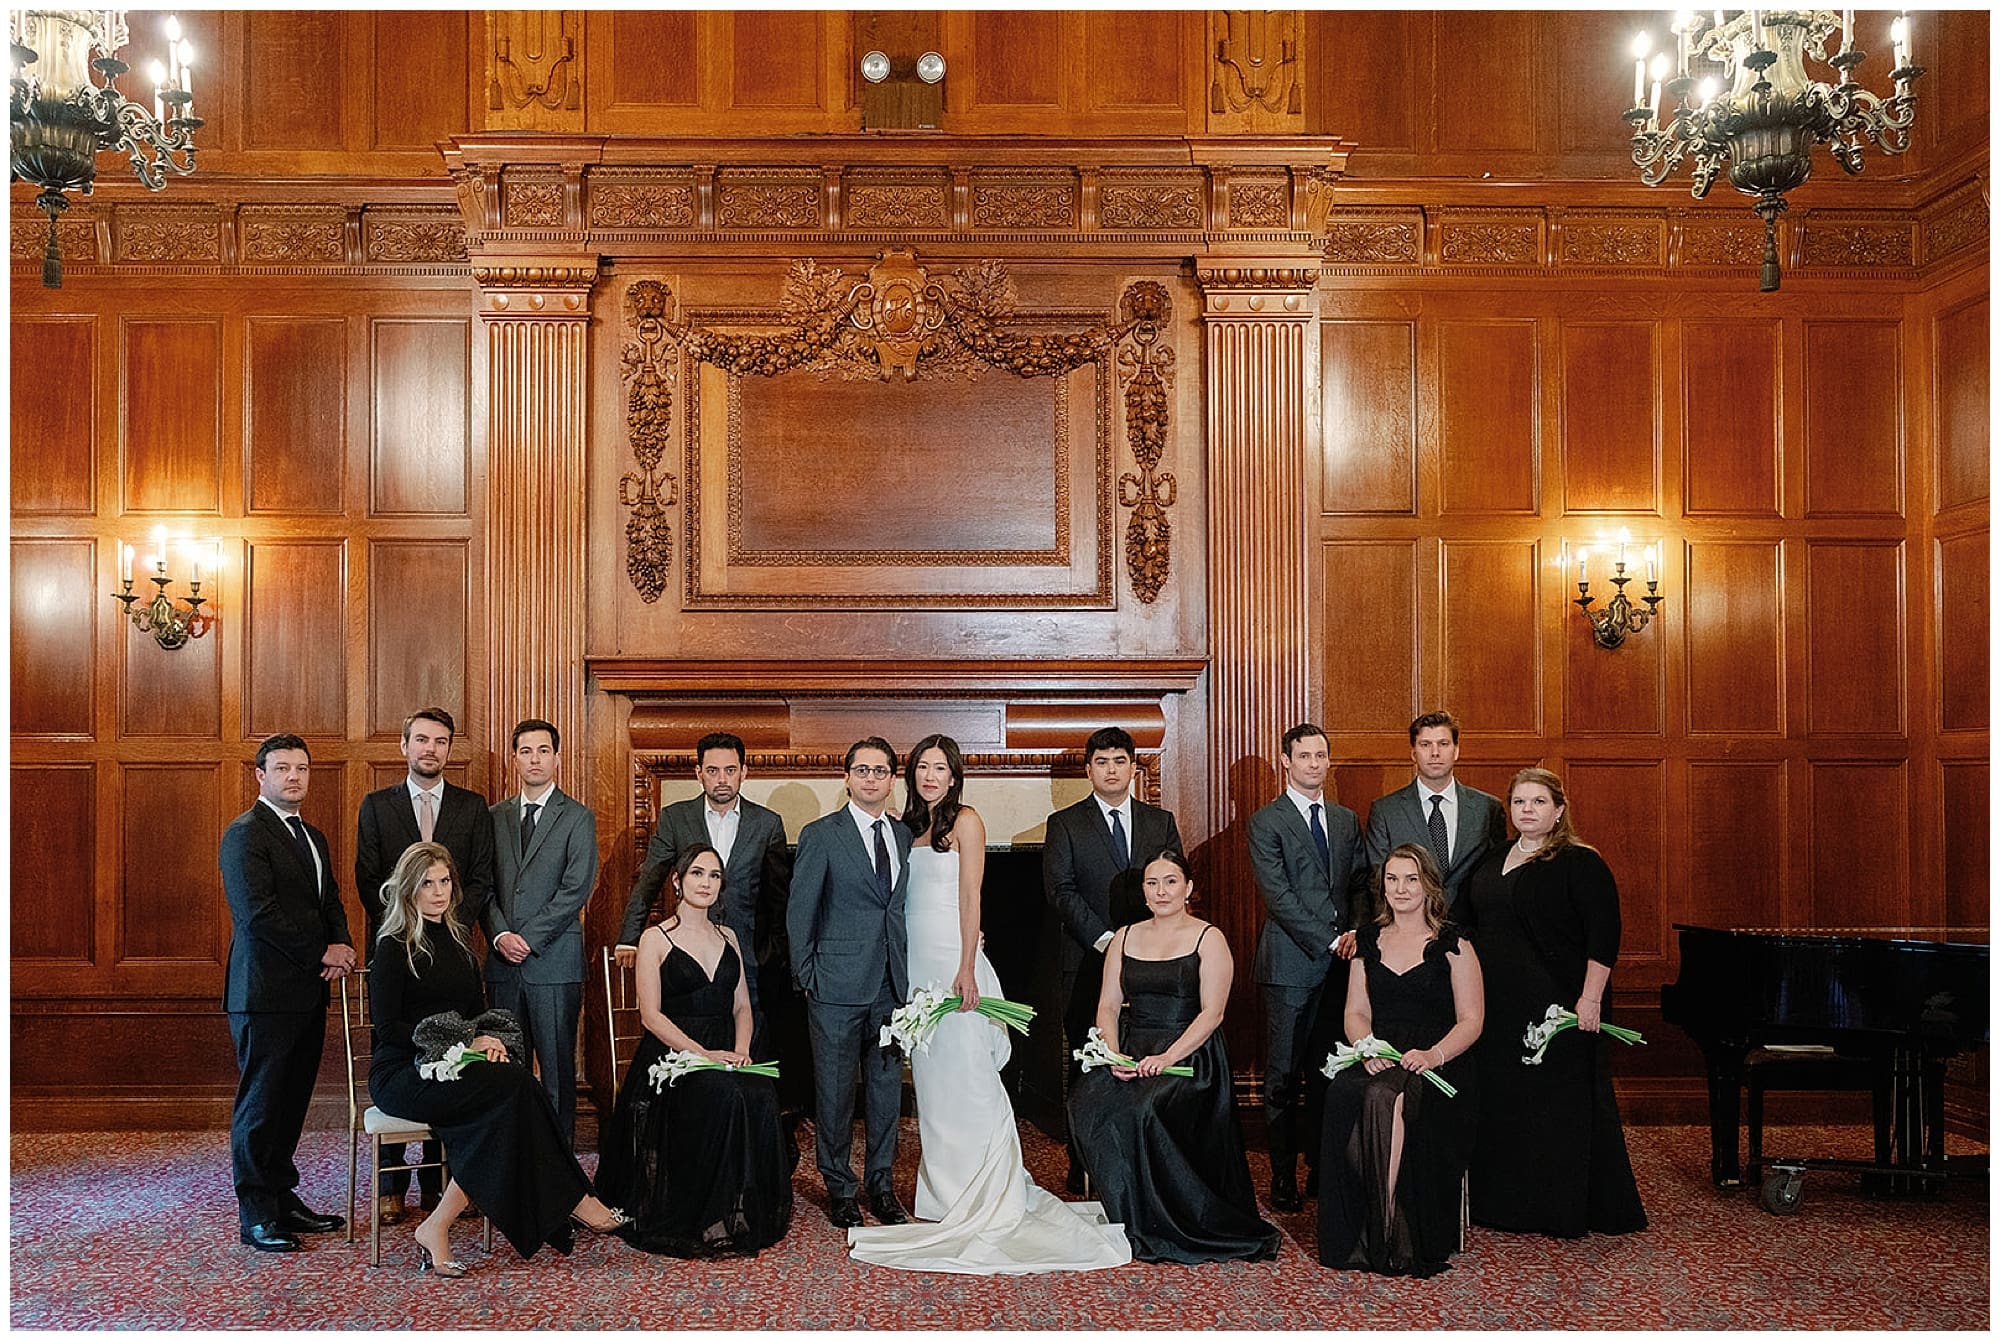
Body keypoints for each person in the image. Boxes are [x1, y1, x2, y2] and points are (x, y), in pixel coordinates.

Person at [848, 736, 1130, 1275]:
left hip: (955, 964)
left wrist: (965, 965)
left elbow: (973, 896)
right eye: (922, 767)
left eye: (940, 768)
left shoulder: (967, 821)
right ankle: (943, 1196)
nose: (930, 776)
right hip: (916, 967)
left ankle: (988, 1193)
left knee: (971, 1077)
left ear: (955, 776)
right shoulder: (906, 827)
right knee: (932, 1085)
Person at [367, 842, 628, 1275]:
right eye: (427, 884)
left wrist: (485, 1038)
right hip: (403, 1072)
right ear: (408, 890)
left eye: (445, 881)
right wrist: (461, 1045)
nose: (438, 892)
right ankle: (579, 1199)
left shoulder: (460, 943)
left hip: (455, 1067)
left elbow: (475, 1016)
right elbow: (388, 1029)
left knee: (509, 1100)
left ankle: (437, 1225)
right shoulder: (394, 946)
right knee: (516, 1092)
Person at [1459, 767, 1646, 1238]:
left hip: (1557, 1004)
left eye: (1538, 802)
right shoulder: (1494, 856)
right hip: (1497, 1004)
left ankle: (1554, 1208)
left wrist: (1589, 999)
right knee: (1505, 1101)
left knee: (1553, 1108)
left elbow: (1604, 936)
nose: (1527, 810)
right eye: (1519, 802)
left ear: (1558, 810)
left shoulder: (1580, 862)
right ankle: (1503, 1205)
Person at [1068, 851, 1279, 1264]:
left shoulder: (1208, 937)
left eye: (1169, 882)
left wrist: (1166, 1058)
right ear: (1143, 892)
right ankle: (1126, 1214)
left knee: (1145, 1109)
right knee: (1086, 1100)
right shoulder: (1124, 937)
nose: (1160, 891)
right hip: (1132, 1048)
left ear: (1188, 888)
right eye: (1152, 883)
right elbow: (1108, 1005)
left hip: (1191, 1056)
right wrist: (1112, 1054)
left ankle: (1163, 1220)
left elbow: (1212, 1014)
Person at [595, 845, 794, 1256]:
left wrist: (740, 1051)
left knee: (757, 1092)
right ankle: (702, 1206)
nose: (706, 883)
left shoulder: (730, 937)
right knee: (725, 1094)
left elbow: (742, 1006)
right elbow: (650, 1016)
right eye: (698, 874)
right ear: (678, 881)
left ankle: (739, 1207)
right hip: (673, 1056)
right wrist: (704, 1055)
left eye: (714, 876)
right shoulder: (655, 938)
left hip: (725, 1049)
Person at [354, 705, 498, 1225]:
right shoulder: (376, 806)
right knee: (398, 1049)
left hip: (453, 949)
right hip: (397, 949)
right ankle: (391, 1183)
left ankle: (442, 1185)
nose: (429, 748)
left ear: (449, 750)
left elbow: (480, 877)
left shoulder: (471, 806)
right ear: (404, 745)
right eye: (421, 739)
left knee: (454, 1063)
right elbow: (368, 879)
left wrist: (443, 922)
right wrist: (408, 923)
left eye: (440, 741)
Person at [1318, 844, 1483, 1276]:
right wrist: (1367, 1047)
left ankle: (1388, 1228)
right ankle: (1366, 1221)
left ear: (1429, 884)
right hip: (1380, 1052)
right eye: (1392, 879)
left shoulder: (1455, 942)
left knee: (1384, 1099)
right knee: (1343, 1092)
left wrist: (1433, 1055)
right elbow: (1355, 1012)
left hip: (1439, 1060)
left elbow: (1472, 1020)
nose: (1401, 888)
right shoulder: (1368, 939)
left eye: (1411, 879)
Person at [220, 733, 357, 1252]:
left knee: (291, 1101)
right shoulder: (245, 835)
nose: (293, 777)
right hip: (263, 993)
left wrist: (341, 941)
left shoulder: (313, 835)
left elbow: (330, 901)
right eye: (282, 768)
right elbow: (258, 916)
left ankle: (282, 1198)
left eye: (301, 768)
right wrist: (322, 952)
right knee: (262, 1105)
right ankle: (256, 1213)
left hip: (306, 991)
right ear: (261, 776)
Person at [1043, 726, 1183, 1193]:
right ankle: (1082, 1157)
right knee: (1089, 1059)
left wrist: (1145, 942)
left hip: (1154, 961)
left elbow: (1175, 885)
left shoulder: (1159, 822)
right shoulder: (1065, 823)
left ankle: (1140, 1155)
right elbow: (1060, 891)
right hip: (1086, 957)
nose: (1110, 769)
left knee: (1142, 1057)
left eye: (1119, 761)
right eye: (1101, 762)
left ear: (1132, 767)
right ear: (1088, 770)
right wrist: (1106, 940)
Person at [1246, 721, 1372, 1212]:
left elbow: (1361, 882)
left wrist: (1356, 933)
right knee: (1283, 1074)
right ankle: (1282, 1178)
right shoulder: (1266, 822)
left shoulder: (1343, 819)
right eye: (1305, 756)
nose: (1315, 765)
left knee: (1332, 1071)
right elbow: (1278, 896)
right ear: (1286, 761)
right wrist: (1329, 939)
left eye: (1321, 756)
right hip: (1290, 966)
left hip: (1344, 965)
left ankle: (1323, 1168)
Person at [787, 737, 912, 1229]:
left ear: (891, 779)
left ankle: (880, 1185)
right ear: (846, 777)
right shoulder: (821, 834)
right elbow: (801, 911)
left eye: (881, 771)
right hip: (834, 986)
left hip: (890, 986)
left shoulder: (902, 836)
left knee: (885, 1092)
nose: (871, 779)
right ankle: (839, 1186)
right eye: (862, 770)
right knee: (835, 1093)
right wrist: (807, 976)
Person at [612, 732, 793, 1058]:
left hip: (746, 957)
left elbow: (779, 900)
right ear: (699, 773)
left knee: (747, 1047)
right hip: (687, 955)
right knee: (690, 1036)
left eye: (730, 770)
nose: (721, 779)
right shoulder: (675, 818)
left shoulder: (767, 824)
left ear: (744, 772)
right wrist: (630, 936)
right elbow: (649, 880)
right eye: (712, 771)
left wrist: (772, 955)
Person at [483, 718, 598, 1150]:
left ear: (557, 757)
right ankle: (511, 1165)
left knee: (556, 1073)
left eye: (543, 750)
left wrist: (527, 938)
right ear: (514, 758)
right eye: (526, 751)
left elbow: (576, 888)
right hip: (501, 963)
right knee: (504, 1071)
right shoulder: (493, 817)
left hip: (553, 964)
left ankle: (558, 1171)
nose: (535, 759)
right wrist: (499, 935)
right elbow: (483, 886)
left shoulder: (577, 817)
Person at [1364, 710, 1505, 910]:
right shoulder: (1386, 811)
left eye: (1443, 744)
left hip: (1472, 931)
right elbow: (1377, 880)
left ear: (1456, 751)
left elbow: (1496, 876)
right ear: (1413, 753)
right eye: (1425, 744)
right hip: (1410, 929)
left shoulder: (1488, 808)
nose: (1435, 752)